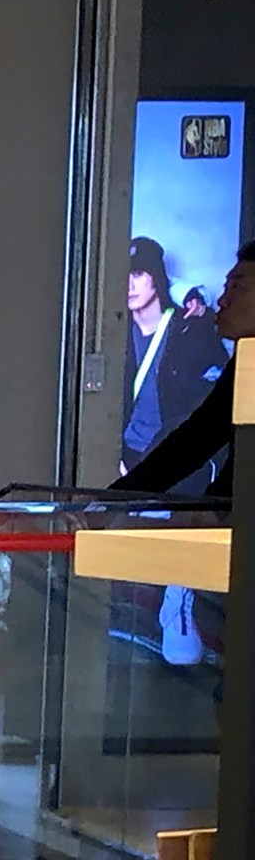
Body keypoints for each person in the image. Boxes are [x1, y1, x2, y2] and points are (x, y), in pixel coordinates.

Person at [115, 242, 253, 667]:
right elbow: (198, 437)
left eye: (239, 287)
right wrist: (114, 500)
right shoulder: (246, 363)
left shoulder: (187, 334)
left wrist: (211, 506)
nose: (223, 299)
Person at [125, 237, 229, 473]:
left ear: (157, 277)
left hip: (171, 460)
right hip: (125, 456)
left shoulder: (190, 328)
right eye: (125, 274)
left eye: (139, 274)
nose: (129, 285)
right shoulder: (111, 331)